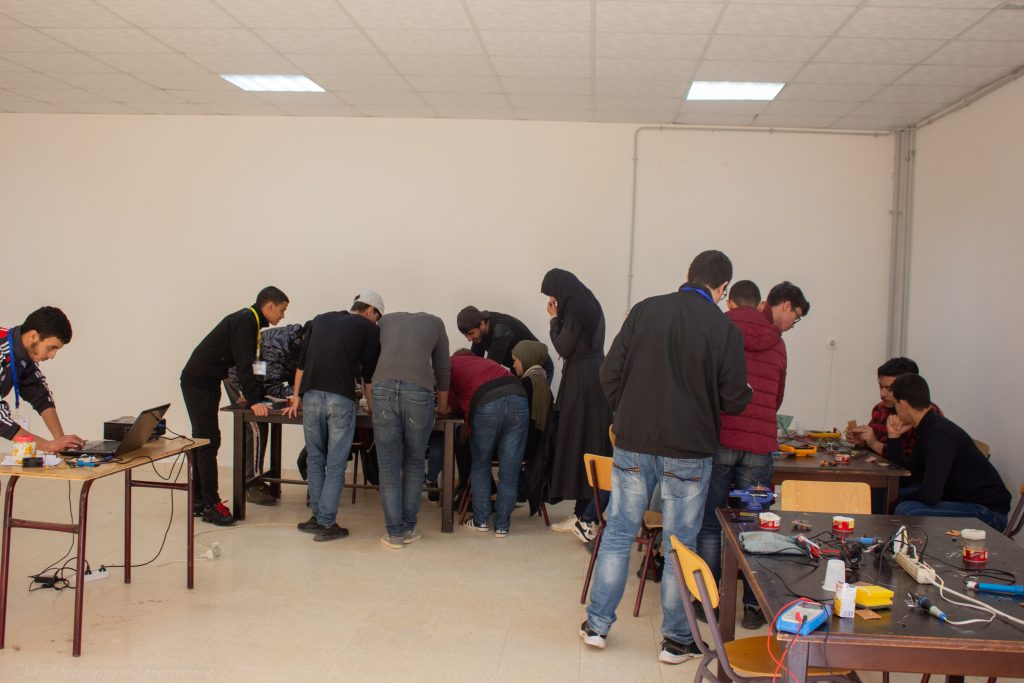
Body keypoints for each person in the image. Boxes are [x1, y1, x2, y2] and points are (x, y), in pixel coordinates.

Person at [582, 250, 752, 665]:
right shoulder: (723, 327)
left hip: (633, 442)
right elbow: (734, 399)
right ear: (723, 287)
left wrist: (628, 412)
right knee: (680, 545)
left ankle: (596, 627)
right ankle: (676, 641)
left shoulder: (645, 310)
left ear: (688, 275)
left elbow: (608, 372)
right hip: (689, 450)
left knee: (618, 533)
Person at [696, 279, 809, 630]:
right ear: (784, 305)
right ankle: (753, 605)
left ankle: (709, 600)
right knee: (753, 525)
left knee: (712, 522)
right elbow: (777, 398)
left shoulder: (718, 330)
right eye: (795, 317)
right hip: (759, 448)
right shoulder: (778, 344)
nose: (792, 324)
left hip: (720, 439)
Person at [181, 286, 289, 526]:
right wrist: (254, 401)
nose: (283, 316)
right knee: (208, 441)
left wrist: (256, 396)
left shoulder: (252, 323)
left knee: (205, 440)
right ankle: (211, 504)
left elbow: (251, 364)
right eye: (281, 310)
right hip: (198, 382)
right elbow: (243, 365)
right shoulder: (245, 321)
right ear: (269, 306)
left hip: (207, 382)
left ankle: (199, 500)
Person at [284, 292, 382, 542]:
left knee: (315, 458)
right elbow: (368, 375)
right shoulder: (368, 328)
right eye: (378, 317)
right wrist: (372, 407)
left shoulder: (321, 319)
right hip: (340, 398)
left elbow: (301, 365)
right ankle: (327, 523)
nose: (377, 322)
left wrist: (296, 398)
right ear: (370, 310)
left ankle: (317, 518)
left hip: (311, 396)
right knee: (336, 463)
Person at [540, 269, 614, 536]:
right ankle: (584, 511)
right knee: (590, 442)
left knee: (578, 441)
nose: (553, 299)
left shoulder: (575, 309)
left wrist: (554, 319)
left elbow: (563, 346)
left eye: (553, 294)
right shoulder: (590, 302)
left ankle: (583, 515)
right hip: (595, 377)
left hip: (582, 382)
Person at [889, 373, 1010, 531]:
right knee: (888, 493)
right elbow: (905, 477)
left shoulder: (939, 434)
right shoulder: (927, 429)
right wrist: (894, 437)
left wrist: (896, 500)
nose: (895, 411)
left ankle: (899, 545)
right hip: (958, 500)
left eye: (895, 405)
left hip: (987, 512)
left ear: (903, 404)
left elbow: (930, 495)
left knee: (906, 510)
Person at [373, 311, 451, 549]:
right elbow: (443, 368)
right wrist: (443, 407)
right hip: (419, 390)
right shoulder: (436, 323)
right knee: (415, 462)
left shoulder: (384, 321)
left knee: (388, 466)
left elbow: (371, 359)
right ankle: (408, 528)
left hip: (382, 389)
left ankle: (394, 534)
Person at [225, 321, 307, 506]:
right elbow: (272, 385)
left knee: (261, 426)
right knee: (255, 428)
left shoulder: (299, 344)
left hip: (258, 384)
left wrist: (300, 391)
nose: (282, 315)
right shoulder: (278, 343)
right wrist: (301, 393)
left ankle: (257, 480)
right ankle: (251, 485)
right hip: (241, 381)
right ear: (306, 337)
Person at [449, 351, 530, 537]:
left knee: (481, 465)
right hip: (518, 395)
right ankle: (502, 526)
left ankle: (481, 520)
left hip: (487, 402)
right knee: (510, 471)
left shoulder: (449, 364)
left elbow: (450, 406)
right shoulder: (485, 363)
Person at [1, 307, 84, 453]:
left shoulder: (21, 353)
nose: (52, 356)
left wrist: (61, 442)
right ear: (33, 336)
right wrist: (48, 446)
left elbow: (39, 394)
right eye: (51, 348)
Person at [845, 357, 943, 463]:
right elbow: (873, 453)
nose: (882, 394)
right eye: (881, 387)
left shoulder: (924, 414)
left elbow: (911, 464)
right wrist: (862, 442)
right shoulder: (880, 409)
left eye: (890, 389)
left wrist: (874, 443)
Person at [511, 340, 554, 518]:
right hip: (538, 447)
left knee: (473, 447)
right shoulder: (541, 380)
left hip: (525, 446)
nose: (513, 365)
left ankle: (489, 497)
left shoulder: (527, 384)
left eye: (516, 360)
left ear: (526, 358)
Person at [456, 306, 554, 381]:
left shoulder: (501, 329)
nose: (469, 339)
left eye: (471, 333)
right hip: (518, 369)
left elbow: (490, 368)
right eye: (466, 335)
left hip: (539, 369)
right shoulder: (478, 330)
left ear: (482, 324)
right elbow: (475, 362)